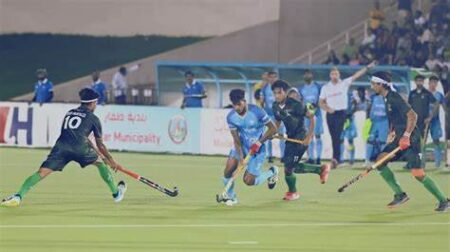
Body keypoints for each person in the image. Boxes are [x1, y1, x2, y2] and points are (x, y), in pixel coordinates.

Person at [1, 88, 127, 207]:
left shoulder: (70, 112)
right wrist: (110, 160)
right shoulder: (94, 119)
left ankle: (18, 196)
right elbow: (99, 144)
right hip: (80, 148)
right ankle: (116, 194)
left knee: (41, 172)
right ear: (92, 103)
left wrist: (100, 155)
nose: (96, 105)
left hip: (62, 147)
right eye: (96, 103)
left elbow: (81, 136)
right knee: (100, 165)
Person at [369, 71, 449, 212]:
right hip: (400, 137)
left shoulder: (394, 98)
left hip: (411, 139)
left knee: (418, 174)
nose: (371, 86)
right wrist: (392, 132)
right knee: (380, 161)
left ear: (381, 84)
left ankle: (444, 201)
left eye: (373, 83)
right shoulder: (386, 98)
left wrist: (406, 136)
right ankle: (400, 194)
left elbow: (413, 115)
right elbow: (396, 119)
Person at [271, 80, 334, 201]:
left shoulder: (296, 105)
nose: (277, 96)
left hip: (301, 138)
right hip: (290, 138)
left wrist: (308, 138)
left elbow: (313, 118)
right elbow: (278, 120)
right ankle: (320, 169)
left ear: (285, 93)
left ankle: (292, 192)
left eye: (279, 93)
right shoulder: (275, 106)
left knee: (289, 168)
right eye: (275, 93)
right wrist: (275, 131)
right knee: (290, 165)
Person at [219, 89, 278, 206]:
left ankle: (272, 172)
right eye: (234, 105)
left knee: (248, 181)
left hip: (258, 151)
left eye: (239, 104)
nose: (237, 108)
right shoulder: (231, 117)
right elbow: (236, 139)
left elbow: (273, 129)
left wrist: (260, 142)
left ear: (244, 101)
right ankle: (231, 197)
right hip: (242, 147)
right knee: (228, 170)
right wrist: (241, 158)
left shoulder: (257, 112)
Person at [319, 61, 376, 163]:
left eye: (336, 74)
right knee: (334, 137)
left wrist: (367, 67)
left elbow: (356, 75)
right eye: (332, 74)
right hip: (330, 114)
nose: (334, 76)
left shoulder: (344, 83)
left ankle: (336, 159)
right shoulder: (326, 87)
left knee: (337, 135)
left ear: (339, 74)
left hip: (341, 113)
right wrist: (328, 109)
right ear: (330, 75)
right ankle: (336, 158)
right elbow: (320, 102)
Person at [299, 70, 323, 164]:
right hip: (306, 116)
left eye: (309, 73)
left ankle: (319, 158)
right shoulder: (301, 89)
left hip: (317, 115)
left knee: (317, 135)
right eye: (305, 74)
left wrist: (315, 106)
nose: (307, 75)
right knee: (308, 136)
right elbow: (300, 101)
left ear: (312, 75)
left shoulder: (318, 86)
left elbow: (321, 99)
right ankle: (311, 157)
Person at [260, 71, 285, 163]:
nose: (273, 79)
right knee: (269, 135)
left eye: (275, 77)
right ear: (268, 78)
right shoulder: (264, 88)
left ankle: (283, 156)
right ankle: (270, 156)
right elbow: (262, 102)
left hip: (278, 115)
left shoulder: (281, 89)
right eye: (271, 77)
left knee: (281, 135)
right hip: (268, 115)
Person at [364, 92, 389, 168]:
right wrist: (368, 120)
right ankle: (367, 161)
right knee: (370, 141)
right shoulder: (373, 97)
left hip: (384, 122)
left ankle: (383, 162)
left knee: (382, 142)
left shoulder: (388, 98)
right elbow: (368, 109)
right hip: (373, 122)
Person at [427, 76, 445, 168]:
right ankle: (420, 163)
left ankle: (437, 163)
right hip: (425, 121)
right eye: (432, 82)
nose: (433, 84)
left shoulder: (439, 95)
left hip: (435, 121)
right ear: (429, 83)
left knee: (436, 141)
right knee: (421, 141)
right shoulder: (425, 93)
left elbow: (445, 107)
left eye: (435, 82)